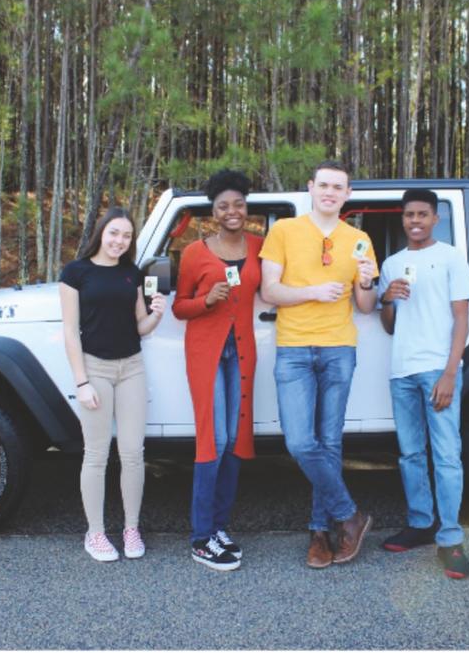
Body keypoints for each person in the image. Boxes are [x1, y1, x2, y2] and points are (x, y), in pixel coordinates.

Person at [259, 160, 377, 569]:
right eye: (323, 185)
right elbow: (269, 291)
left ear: (347, 194)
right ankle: (350, 516)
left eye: (338, 187)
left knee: (329, 445)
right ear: (311, 187)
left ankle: (320, 533)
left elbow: (365, 305)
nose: (330, 192)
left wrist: (365, 282)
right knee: (299, 443)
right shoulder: (285, 231)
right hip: (294, 348)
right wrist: (312, 291)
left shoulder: (359, 239)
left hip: (339, 348)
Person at [377, 188, 469, 579]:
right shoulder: (392, 264)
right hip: (401, 370)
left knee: (446, 455)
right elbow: (389, 326)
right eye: (408, 215)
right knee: (410, 455)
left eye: (422, 214)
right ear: (402, 219)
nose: (414, 221)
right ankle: (421, 524)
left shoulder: (451, 257)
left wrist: (451, 372)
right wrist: (387, 298)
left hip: (438, 369)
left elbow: (462, 319)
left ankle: (450, 539)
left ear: (436, 218)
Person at [59, 207, 166, 562]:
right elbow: (70, 333)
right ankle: (95, 533)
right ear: (101, 232)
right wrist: (82, 382)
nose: (120, 241)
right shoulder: (76, 273)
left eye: (126, 236)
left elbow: (139, 327)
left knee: (134, 454)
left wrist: (156, 315)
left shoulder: (130, 274)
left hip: (132, 368)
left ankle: (131, 528)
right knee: (96, 454)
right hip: (96, 370)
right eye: (114, 233)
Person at [172, 169, 263, 572]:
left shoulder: (261, 247)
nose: (232, 211)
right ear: (214, 211)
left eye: (238, 204)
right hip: (207, 353)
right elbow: (179, 307)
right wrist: (206, 300)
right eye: (224, 205)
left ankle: (219, 528)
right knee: (214, 439)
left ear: (246, 207)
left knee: (235, 440)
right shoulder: (195, 252)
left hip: (241, 353)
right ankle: (200, 537)